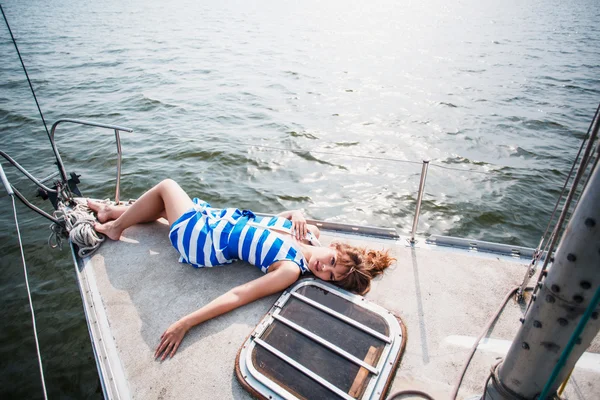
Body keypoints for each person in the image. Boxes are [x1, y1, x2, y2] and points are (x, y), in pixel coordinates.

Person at [89, 179, 394, 360]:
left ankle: (115, 226)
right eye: (331, 262)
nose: (322, 268)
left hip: (202, 240)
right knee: (164, 206)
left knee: (168, 187)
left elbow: (238, 295)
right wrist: (295, 212)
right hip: (215, 219)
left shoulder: (290, 268)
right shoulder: (309, 232)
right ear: (335, 248)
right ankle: (111, 212)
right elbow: (271, 223)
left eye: (329, 276)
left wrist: (186, 323)